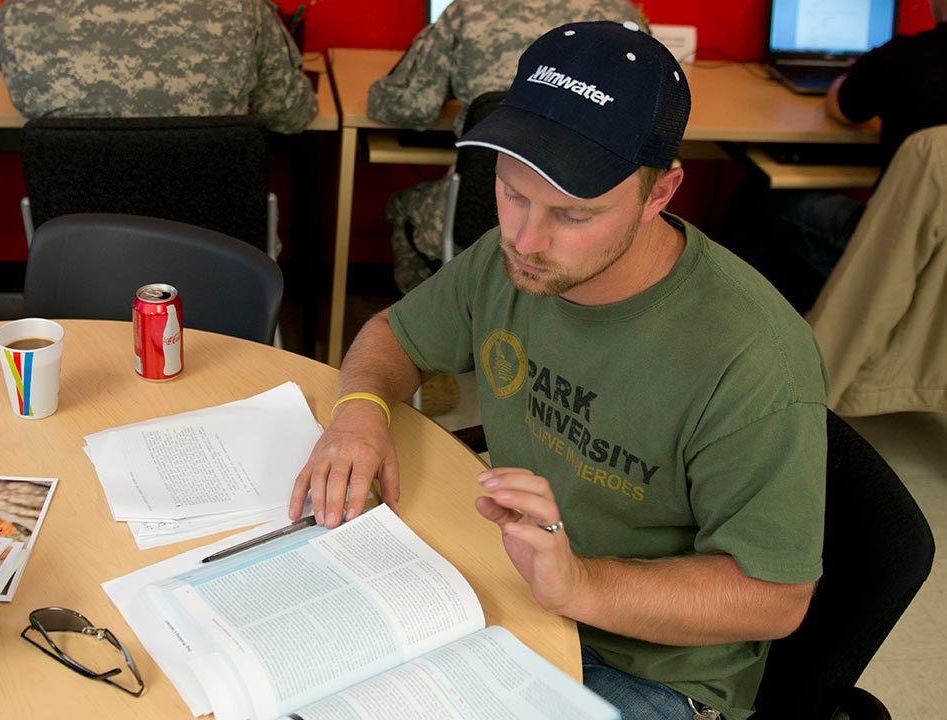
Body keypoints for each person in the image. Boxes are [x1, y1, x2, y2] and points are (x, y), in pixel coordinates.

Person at [291, 21, 829, 720]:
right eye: (513, 193)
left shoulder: (754, 362)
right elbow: (394, 335)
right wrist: (359, 410)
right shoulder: (507, 259)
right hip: (506, 594)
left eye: (574, 215)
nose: (526, 239)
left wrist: (578, 587)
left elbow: (775, 598)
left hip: (645, 671)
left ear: (661, 193)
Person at [366, 0, 648, 293]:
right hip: (595, 221)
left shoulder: (468, 10)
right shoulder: (625, 17)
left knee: (402, 206)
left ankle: (433, 325)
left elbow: (409, 108)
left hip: (491, 209)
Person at [724, 0, 947, 311]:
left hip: (891, 250)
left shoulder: (902, 59)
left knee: (755, 194)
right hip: (938, 271)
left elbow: (841, 107)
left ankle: (747, 317)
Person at [0, 0, 318, 134]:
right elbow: (290, 114)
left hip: (78, 256)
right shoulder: (240, 7)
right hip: (217, 252)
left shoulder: (18, 14)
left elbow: (27, 104)